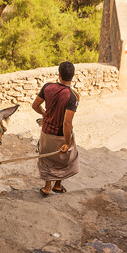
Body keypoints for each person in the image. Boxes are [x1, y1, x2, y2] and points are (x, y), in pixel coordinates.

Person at [32, 61, 80, 196]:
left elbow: (35, 105)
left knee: (47, 159)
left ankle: (47, 187)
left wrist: (44, 113)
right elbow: (67, 122)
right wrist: (67, 142)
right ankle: (58, 185)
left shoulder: (47, 87)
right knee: (66, 159)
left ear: (59, 75)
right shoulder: (72, 96)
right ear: (73, 76)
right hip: (60, 134)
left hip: (46, 131)